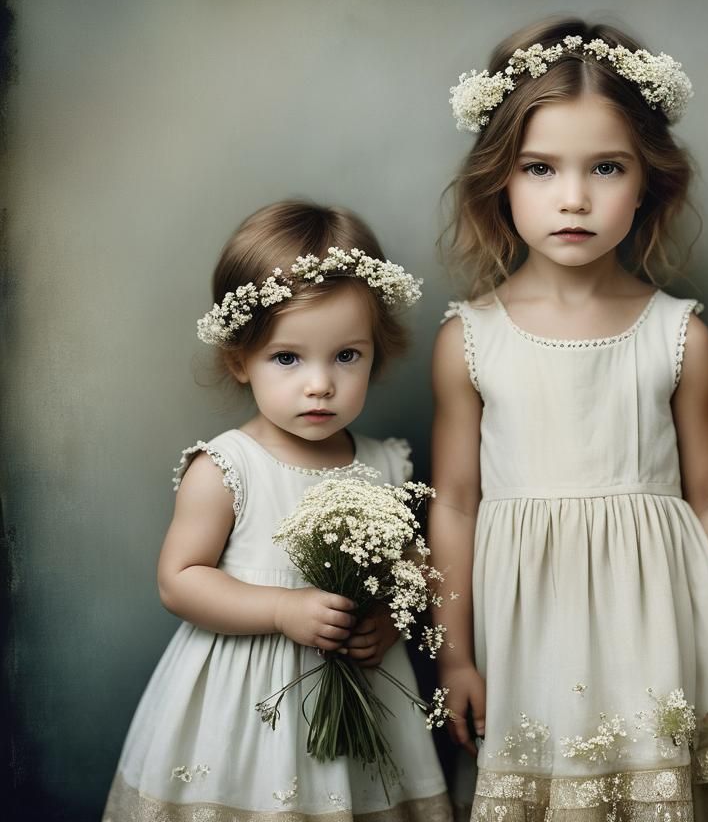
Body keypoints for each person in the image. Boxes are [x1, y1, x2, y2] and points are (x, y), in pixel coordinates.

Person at [431, 17, 708, 822]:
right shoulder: (469, 339)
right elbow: (456, 503)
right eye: (540, 168)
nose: (573, 198)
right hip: (526, 626)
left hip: (657, 622)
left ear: (646, 183)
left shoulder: (679, 334)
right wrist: (456, 656)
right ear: (500, 180)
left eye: (606, 167)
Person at [104, 201, 451, 821]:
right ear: (240, 359)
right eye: (287, 358)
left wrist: (389, 621)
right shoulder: (227, 468)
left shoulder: (385, 464)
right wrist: (280, 608)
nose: (320, 384)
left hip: (361, 694)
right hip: (250, 699)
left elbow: (415, 568)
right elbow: (179, 580)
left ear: (376, 351)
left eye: (347, 355)